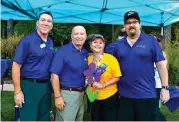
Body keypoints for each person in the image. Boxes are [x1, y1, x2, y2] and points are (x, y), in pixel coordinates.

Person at [107, 10, 170, 121]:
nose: (131, 24)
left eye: (134, 22)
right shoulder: (117, 45)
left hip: (146, 95)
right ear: (124, 26)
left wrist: (165, 88)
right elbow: (111, 66)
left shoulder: (151, 41)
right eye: (128, 22)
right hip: (124, 96)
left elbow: (161, 65)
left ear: (140, 25)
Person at [12, 12, 54, 121]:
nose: (46, 23)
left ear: (52, 25)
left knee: (44, 118)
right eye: (43, 20)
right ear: (37, 23)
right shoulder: (26, 41)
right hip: (29, 86)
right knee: (28, 118)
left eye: (49, 21)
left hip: (46, 86)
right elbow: (16, 65)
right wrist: (17, 91)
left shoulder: (50, 42)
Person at [50, 25, 88, 121]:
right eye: (76, 34)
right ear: (71, 36)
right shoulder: (63, 51)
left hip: (81, 95)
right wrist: (58, 96)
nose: (79, 36)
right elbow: (54, 75)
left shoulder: (84, 52)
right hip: (67, 95)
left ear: (86, 36)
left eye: (82, 34)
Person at [86, 34, 122, 121]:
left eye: (100, 43)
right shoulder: (88, 59)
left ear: (104, 45)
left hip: (109, 96)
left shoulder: (111, 59)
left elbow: (117, 77)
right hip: (93, 97)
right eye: (95, 42)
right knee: (95, 119)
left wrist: (103, 85)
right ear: (90, 45)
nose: (97, 44)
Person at [154, 34, 167, 121]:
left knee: (155, 108)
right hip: (150, 84)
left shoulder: (162, 54)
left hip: (157, 84)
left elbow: (160, 67)